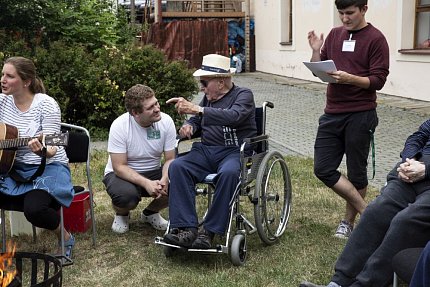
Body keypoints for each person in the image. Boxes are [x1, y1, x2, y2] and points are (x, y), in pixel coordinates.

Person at [300, 118, 430, 287]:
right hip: (412, 174)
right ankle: (339, 282)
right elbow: (417, 137)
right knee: (376, 211)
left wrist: (426, 169)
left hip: (425, 174)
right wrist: (409, 160)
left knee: (405, 221)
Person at [307, 0, 390, 238]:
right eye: (341, 13)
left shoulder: (376, 39)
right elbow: (319, 70)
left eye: (350, 13)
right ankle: (367, 211)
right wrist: (315, 50)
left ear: (364, 9)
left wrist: (350, 79)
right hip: (332, 113)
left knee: (356, 172)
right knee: (322, 168)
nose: (345, 18)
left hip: (361, 114)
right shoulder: (334, 35)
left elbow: (378, 81)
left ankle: (348, 222)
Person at [163, 54, 257, 249]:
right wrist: (189, 126)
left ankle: (209, 231)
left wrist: (197, 110)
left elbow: (235, 116)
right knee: (178, 166)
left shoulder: (243, 95)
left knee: (230, 173)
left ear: (221, 82)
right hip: (206, 151)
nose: (202, 88)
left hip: (234, 151)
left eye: (204, 83)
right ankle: (186, 229)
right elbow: (197, 120)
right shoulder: (208, 98)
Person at [0, 56, 75, 258]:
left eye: (9, 76)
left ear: (26, 81)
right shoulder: (2, 101)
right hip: (11, 168)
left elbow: (53, 147)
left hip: (48, 166)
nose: (2, 80)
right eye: (2, 74)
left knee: (34, 210)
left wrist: (41, 150)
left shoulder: (46, 104)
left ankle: (65, 237)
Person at [103, 84, 175, 234]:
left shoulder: (166, 122)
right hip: (122, 174)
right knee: (126, 197)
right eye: (150, 107)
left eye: (156, 103)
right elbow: (119, 167)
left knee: (181, 179)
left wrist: (164, 178)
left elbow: (170, 159)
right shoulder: (119, 125)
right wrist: (147, 183)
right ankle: (122, 214)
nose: (157, 108)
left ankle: (150, 213)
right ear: (135, 113)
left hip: (154, 170)